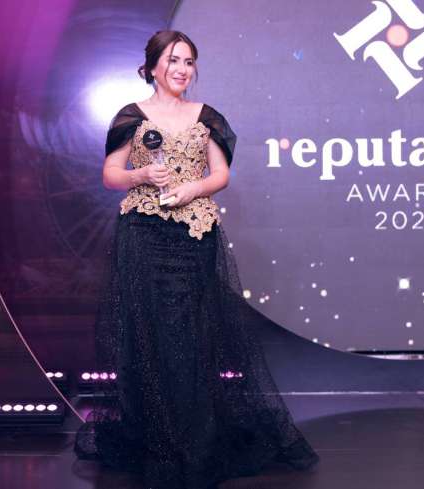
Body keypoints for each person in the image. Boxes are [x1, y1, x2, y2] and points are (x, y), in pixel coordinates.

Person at [74, 30, 319, 489]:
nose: (183, 69)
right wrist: (142, 175)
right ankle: (158, 438)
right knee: (148, 337)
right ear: (152, 67)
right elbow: (110, 175)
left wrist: (192, 188)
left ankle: (196, 440)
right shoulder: (131, 116)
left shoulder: (208, 117)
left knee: (192, 336)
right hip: (144, 234)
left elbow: (221, 174)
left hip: (193, 234)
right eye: (174, 60)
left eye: (189, 62)